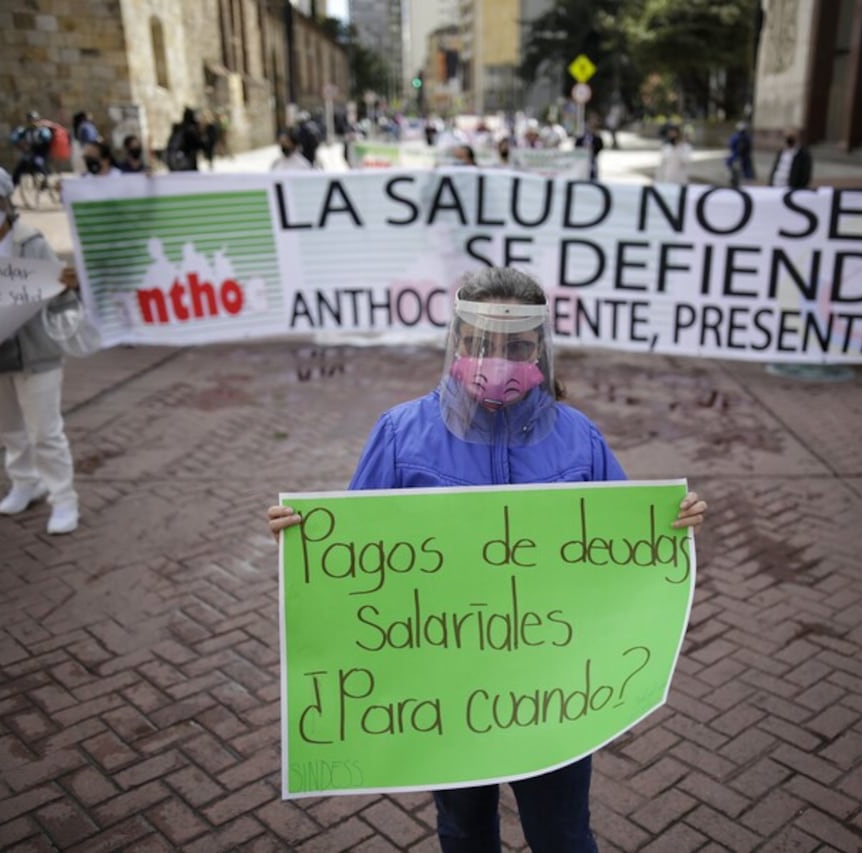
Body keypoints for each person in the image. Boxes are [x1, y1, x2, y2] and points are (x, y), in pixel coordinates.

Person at [266, 267, 707, 853]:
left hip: (553, 689)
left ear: (541, 349)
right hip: (444, 691)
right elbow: (355, 555)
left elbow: (625, 547)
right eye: (480, 341)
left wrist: (668, 525)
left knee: (563, 836)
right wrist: (306, 544)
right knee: (466, 832)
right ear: (457, 338)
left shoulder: (580, 439)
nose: (496, 358)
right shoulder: (402, 434)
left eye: (517, 346)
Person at [0, 164, 82, 533]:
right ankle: (25, 481)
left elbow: (56, 292)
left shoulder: (31, 242)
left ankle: (64, 498)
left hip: (35, 353)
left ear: (6, 200)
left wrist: (65, 284)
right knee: (8, 425)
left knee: (45, 430)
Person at [10, 111, 54, 191]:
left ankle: (45, 182)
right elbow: (14, 138)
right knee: (18, 171)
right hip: (29, 155)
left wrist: (36, 143)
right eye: (30, 120)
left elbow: (46, 139)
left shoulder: (42, 131)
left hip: (40, 155)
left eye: (34, 120)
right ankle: (14, 187)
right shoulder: (25, 131)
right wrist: (21, 145)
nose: (32, 122)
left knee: (39, 165)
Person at [726, 122, 754, 188]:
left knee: (736, 166)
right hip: (741, 155)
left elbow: (731, 145)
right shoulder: (746, 137)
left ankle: (740, 178)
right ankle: (743, 177)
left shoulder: (737, 136)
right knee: (742, 167)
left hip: (739, 155)